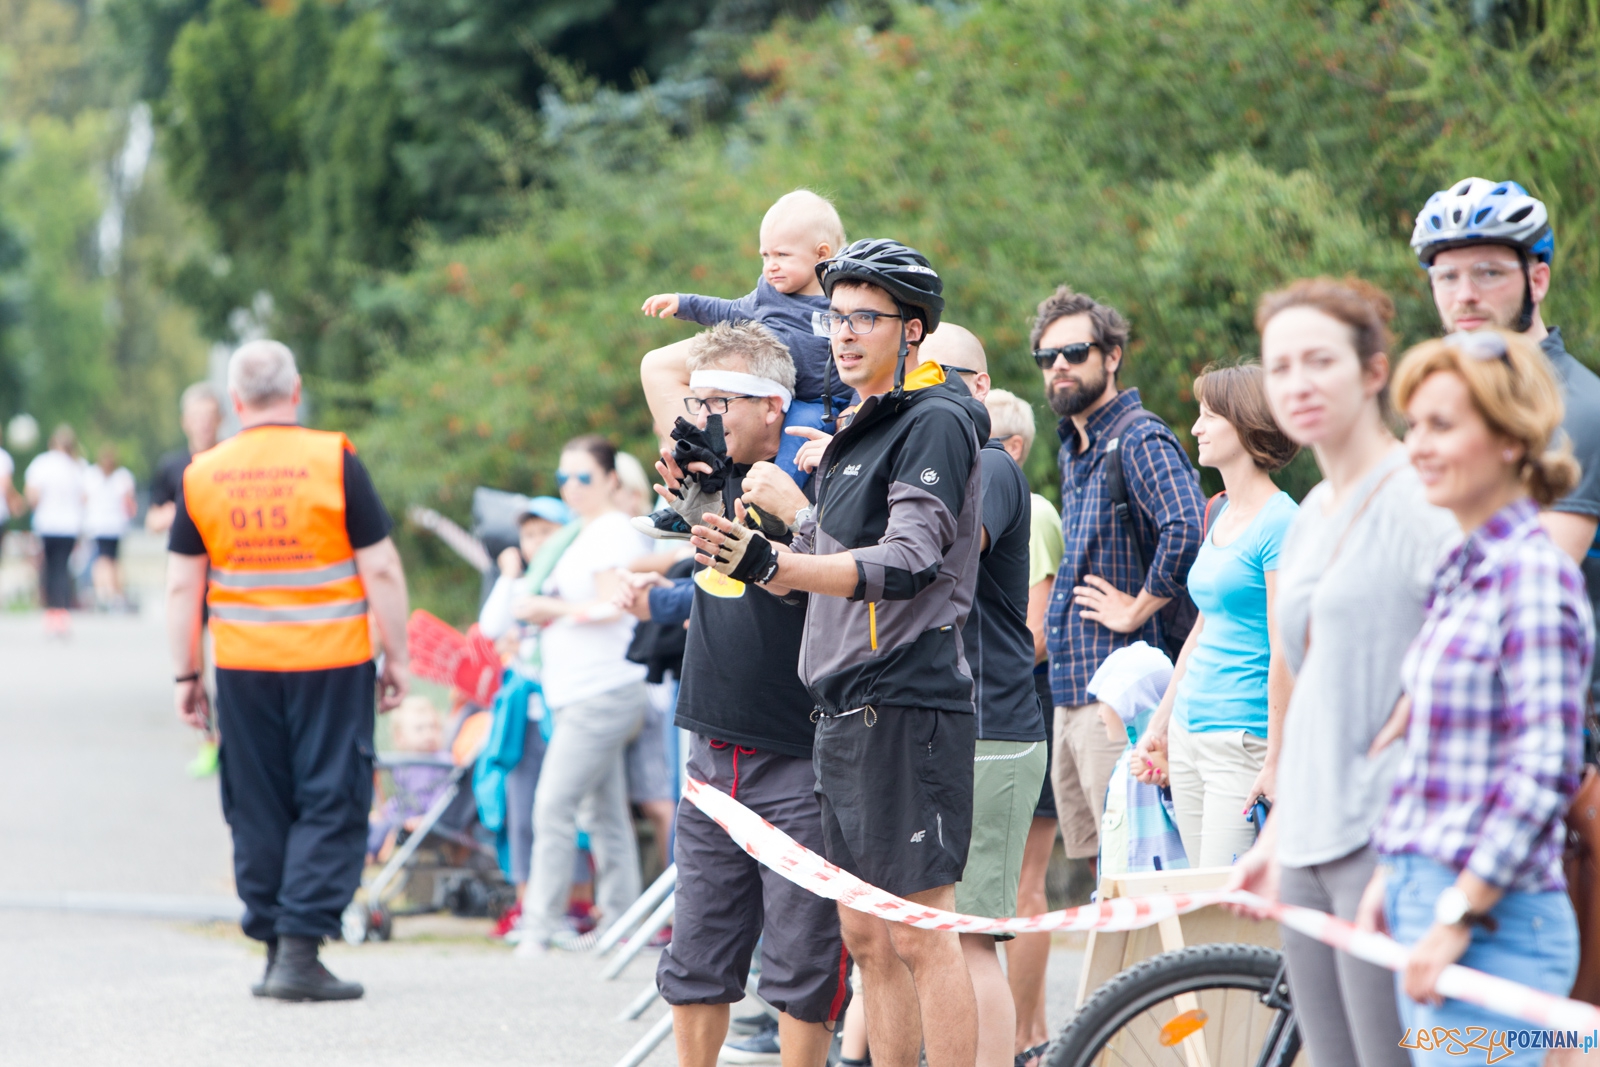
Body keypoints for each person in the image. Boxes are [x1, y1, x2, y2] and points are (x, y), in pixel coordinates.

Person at [692, 239, 984, 1067]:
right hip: (842, 708)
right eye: (835, 316)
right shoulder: (861, 422)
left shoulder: (936, 416)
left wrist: (778, 560)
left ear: (914, 330)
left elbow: (907, 562)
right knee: (864, 932)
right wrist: (736, 538)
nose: (843, 333)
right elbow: (816, 568)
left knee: (922, 930)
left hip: (907, 700)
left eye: (865, 316)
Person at [1226, 278, 1457, 1067]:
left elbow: (1465, 689)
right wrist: (1281, 829)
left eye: (1319, 360)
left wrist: (1415, 848)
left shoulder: (1424, 503)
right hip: (1307, 844)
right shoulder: (1312, 511)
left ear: (1371, 373)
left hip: (1390, 842)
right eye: (1280, 365)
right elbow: (1317, 685)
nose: (1298, 382)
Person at [1350, 330, 1593, 1064]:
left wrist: (1460, 910)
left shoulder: (1534, 577)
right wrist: (1396, 877)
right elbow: (1438, 755)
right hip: (1434, 902)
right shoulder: (1464, 568)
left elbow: (1546, 766)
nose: (1416, 444)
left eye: (1443, 424)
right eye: (1414, 423)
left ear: (1513, 440)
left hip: (1496, 924)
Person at [621, 321, 848, 1067]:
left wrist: (788, 518)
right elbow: (711, 584)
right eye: (697, 397)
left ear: (774, 407)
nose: (700, 412)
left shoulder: (816, 475)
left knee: (802, 964)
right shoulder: (705, 472)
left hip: (797, 748)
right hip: (713, 746)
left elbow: (854, 588)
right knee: (697, 955)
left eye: (720, 399)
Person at [165, 340, 412, 1001]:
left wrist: (187, 674)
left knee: (258, 802)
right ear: (295, 390)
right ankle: (300, 952)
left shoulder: (203, 473)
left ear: (236, 400)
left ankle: (277, 947)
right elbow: (381, 567)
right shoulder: (333, 460)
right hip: (331, 661)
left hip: (244, 666)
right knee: (330, 796)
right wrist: (400, 655)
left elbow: (182, 589)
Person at [1033, 285, 1204, 879]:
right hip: (1073, 692)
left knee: (1142, 870)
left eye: (1075, 351)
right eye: (1047, 357)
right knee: (1101, 874)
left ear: (1111, 357)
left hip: (1128, 697)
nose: (1059, 365)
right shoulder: (1077, 448)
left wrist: (1137, 609)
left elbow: (1188, 528)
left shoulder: (1137, 436)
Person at [1410, 178, 1600, 708]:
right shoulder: (1451, 406)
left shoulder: (1576, 409)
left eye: (1488, 273)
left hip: (1561, 730)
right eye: (1446, 276)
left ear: (1537, 280)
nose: (1464, 295)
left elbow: (1518, 593)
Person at [921, 325, 1048, 1067]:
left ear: (978, 385)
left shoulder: (991, 463)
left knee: (971, 938)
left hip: (993, 728)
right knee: (935, 934)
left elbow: (937, 566)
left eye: (938, 374)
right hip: (953, 726)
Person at [1129, 364, 1299, 867]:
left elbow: (1285, 649)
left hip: (1241, 740)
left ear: (1246, 424)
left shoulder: (1282, 522)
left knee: (1228, 912)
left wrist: (1276, 756)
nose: (1196, 429)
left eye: (1208, 416)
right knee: (1198, 906)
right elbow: (1202, 629)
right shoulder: (1220, 512)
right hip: (1188, 736)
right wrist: (1160, 725)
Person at [637, 189, 846, 534]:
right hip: (760, 380)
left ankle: (765, 516)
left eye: (782, 254)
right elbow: (728, 310)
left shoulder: (839, 301)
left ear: (821, 254)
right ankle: (698, 490)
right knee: (707, 415)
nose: (771, 265)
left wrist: (852, 411)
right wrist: (683, 302)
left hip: (812, 400)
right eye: (765, 255)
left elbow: (856, 365)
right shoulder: (767, 292)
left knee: (794, 446)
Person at [521, 435, 652, 951]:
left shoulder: (612, 533)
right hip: (581, 687)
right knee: (604, 812)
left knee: (553, 804)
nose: (572, 488)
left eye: (583, 478)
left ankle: (540, 924)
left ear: (610, 480)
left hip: (604, 687)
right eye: (564, 479)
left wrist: (546, 610)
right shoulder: (584, 532)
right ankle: (623, 923)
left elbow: (612, 604)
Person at [982, 387, 1061, 1067]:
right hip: (1019, 706)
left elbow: (1031, 634)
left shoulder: (1028, 508)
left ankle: (1023, 1034)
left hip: (1021, 705)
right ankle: (1027, 1029)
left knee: (1024, 886)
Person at [476, 495, 573, 937]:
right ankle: (523, 901)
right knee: (521, 809)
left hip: (562, 707)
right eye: (528, 534)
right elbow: (492, 627)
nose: (536, 542)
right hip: (522, 719)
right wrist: (510, 575)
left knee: (567, 811)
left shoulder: (569, 578)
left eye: (545, 532)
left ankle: (574, 903)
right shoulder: (522, 583)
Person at [25, 423, 87, 636]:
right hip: (69, 526)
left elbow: (32, 496)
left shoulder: (41, 464)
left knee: (49, 568)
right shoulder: (77, 465)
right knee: (62, 567)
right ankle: (62, 611)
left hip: (47, 524)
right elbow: (84, 498)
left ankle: (51, 611)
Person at [147, 382, 222, 534]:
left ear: (220, 419)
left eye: (209, 416)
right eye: (197, 417)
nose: (204, 423)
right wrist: (173, 515)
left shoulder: (232, 461)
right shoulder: (170, 466)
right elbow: (152, 521)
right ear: (185, 422)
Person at [84, 444, 136, 609]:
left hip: (101, 524)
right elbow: (129, 503)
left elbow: (84, 499)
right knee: (111, 560)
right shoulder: (122, 476)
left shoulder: (92, 475)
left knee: (103, 560)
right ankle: (114, 593)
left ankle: (104, 593)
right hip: (113, 524)